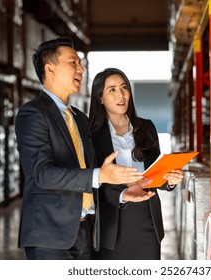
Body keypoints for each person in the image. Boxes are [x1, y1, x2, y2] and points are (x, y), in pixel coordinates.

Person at [15, 38, 153, 260]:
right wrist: (100, 174)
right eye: (73, 63)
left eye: (80, 63)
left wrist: (122, 192)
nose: (81, 69)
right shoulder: (33, 114)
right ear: (50, 69)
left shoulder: (79, 119)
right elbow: (41, 174)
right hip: (49, 235)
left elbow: (92, 175)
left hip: (84, 232)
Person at [89, 68, 184, 260]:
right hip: (112, 222)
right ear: (100, 98)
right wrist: (124, 194)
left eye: (124, 87)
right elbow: (93, 182)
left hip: (147, 218)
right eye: (112, 90)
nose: (121, 94)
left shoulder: (146, 127)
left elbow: (156, 172)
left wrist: (170, 180)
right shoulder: (91, 134)